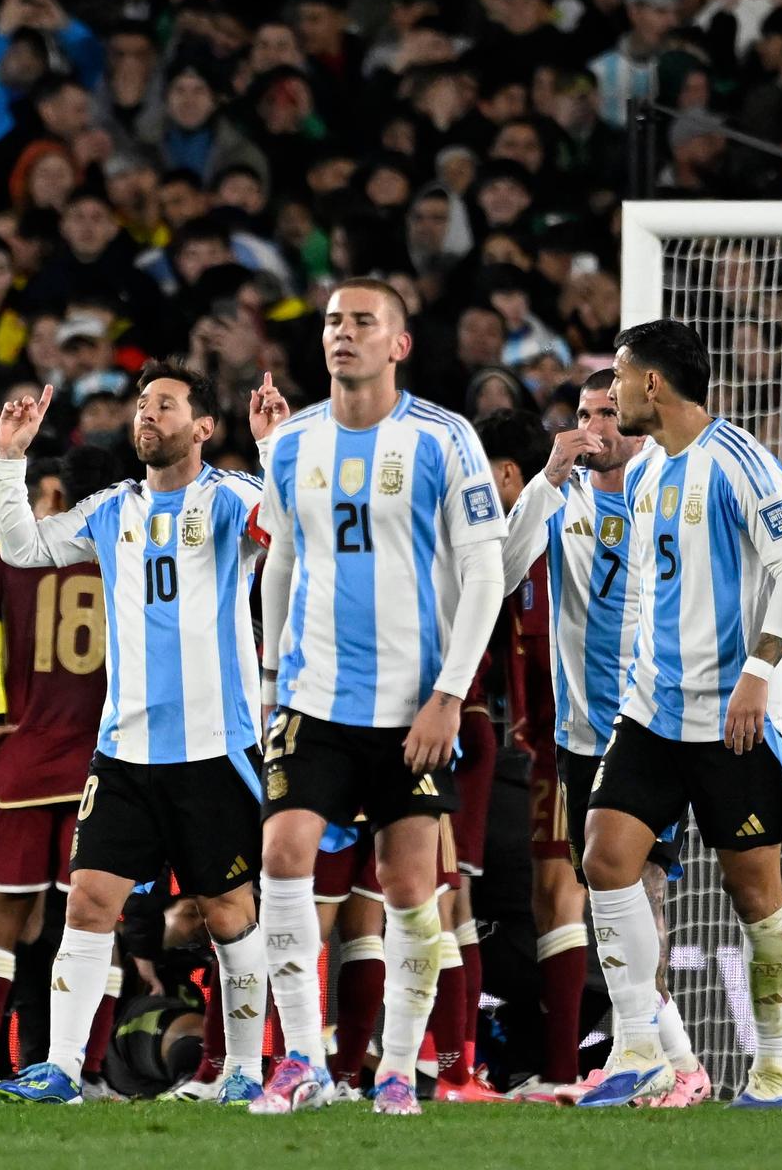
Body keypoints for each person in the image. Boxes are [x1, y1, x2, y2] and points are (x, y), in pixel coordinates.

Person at [0, 361, 290, 1107]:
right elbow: (23, 549)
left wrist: (275, 450)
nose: (146, 415)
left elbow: (290, 533)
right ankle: (62, 1069)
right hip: (123, 752)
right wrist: (9, 459)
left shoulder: (231, 497)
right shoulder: (110, 508)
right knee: (88, 902)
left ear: (204, 427)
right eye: (143, 405)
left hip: (213, 750)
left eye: (165, 405)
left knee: (228, 915)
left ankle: (243, 1069)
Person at [253, 278, 507, 1117]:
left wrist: (449, 695)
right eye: (334, 321)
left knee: (409, 888)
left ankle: (398, 1069)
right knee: (282, 855)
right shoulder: (292, 443)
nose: (344, 333)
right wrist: (269, 680)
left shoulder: (444, 438)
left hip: (411, 709)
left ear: (399, 344)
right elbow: (282, 559)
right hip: (314, 698)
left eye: (364, 322)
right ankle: (300, 1059)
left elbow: (484, 573)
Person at [576, 320, 782, 1110]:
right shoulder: (645, 472)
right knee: (605, 858)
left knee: (754, 894)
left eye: (618, 377)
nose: (611, 393)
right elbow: (652, 589)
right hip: (652, 711)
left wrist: (757, 675)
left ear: (652, 383)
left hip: (735, 718)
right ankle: (639, 1049)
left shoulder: (739, 461)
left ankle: (771, 1071)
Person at [496, 370, 708, 1106]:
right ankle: (675, 1063)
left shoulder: (667, 489)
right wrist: (547, 479)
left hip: (652, 725)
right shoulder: (563, 498)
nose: (595, 428)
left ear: (638, 420)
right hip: (580, 730)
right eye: (584, 415)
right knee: (610, 899)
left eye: (609, 413)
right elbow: (501, 571)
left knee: (639, 888)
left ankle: (639, 1054)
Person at [0, 446, 118, 1101]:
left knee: (1, 921)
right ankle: (92, 1074)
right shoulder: (130, 552)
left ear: (58, 495)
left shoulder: (14, 556)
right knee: (101, 922)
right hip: (105, 766)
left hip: (24, 765)